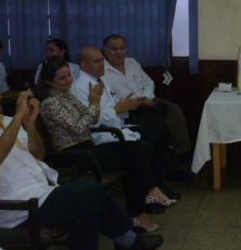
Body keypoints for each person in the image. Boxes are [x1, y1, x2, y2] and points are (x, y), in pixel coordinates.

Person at [0, 75, 163, 250]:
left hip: (40, 193)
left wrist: (29, 125)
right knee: (87, 190)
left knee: (86, 210)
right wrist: (19, 117)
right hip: (16, 208)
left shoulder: (4, 121)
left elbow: (37, 154)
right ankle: (127, 240)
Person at [36, 58, 178, 233]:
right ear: (49, 81)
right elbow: (80, 127)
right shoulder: (50, 103)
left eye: (69, 75)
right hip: (72, 154)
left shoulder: (68, 96)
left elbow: (92, 120)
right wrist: (94, 102)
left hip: (87, 145)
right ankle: (141, 211)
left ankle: (150, 194)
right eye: (62, 78)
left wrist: (93, 103)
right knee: (132, 161)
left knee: (135, 147)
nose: (68, 80)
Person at [71, 47, 180, 200]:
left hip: (117, 125)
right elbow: (91, 120)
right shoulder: (80, 86)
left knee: (161, 134)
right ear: (84, 66)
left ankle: (159, 186)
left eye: (102, 60)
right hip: (101, 134)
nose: (102, 64)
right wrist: (116, 110)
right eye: (97, 61)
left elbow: (114, 106)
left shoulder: (101, 80)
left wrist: (128, 105)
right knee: (145, 147)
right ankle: (148, 194)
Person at [102, 34, 192, 165]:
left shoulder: (132, 63)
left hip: (147, 100)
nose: (119, 52)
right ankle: (170, 163)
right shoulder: (101, 70)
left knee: (174, 109)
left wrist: (146, 97)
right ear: (105, 50)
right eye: (114, 49)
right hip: (128, 109)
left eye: (122, 48)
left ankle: (183, 153)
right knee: (157, 125)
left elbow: (148, 83)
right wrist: (133, 103)